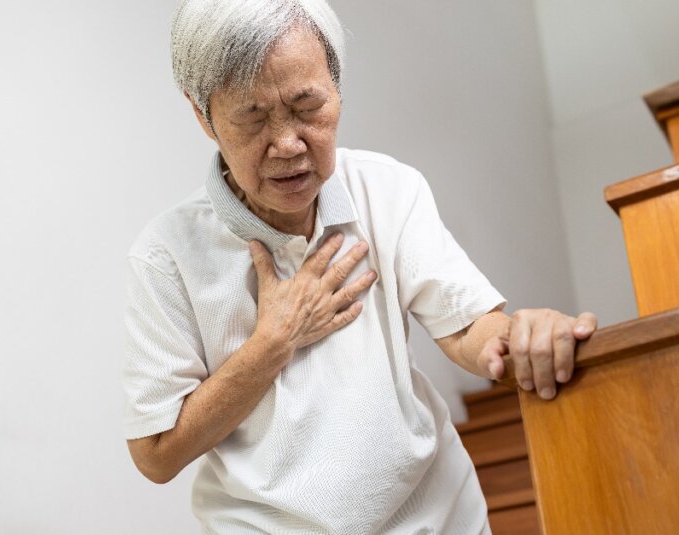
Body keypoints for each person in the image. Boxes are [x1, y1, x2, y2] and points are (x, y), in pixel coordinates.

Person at [123, 0, 597, 532]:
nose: (287, 143)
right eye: (252, 117)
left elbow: (470, 329)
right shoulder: (166, 256)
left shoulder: (388, 189)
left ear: (338, 88)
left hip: (436, 520)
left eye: (308, 107)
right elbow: (156, 454)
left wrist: (526, 336)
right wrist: (272, 342)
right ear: (202, 114)